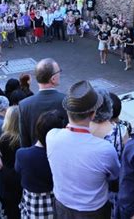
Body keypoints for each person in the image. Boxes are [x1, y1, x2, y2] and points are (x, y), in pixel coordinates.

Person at [47, 80, 120, 218]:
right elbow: (115, 176)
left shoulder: (51, 136)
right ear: (93, 114)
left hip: (61, 206)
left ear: (67, 110)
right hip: (93, 212)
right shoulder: (104, 149)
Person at [15, 110, 64, 219]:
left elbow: (18, 170)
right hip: (57, 200)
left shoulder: (22, 154)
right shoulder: (62, 155)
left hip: (33, 202)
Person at [19, 58, 67, 147]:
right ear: (53, 79)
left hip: (35, 157)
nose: (60, 74)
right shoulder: (66, 100)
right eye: (59, 71)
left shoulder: (24, 105)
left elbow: (24, 140)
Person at [0, 106, 22, 219]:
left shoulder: (2, 138)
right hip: (20, 175)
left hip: (6, 176)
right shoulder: (24, 138)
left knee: (10, 207)